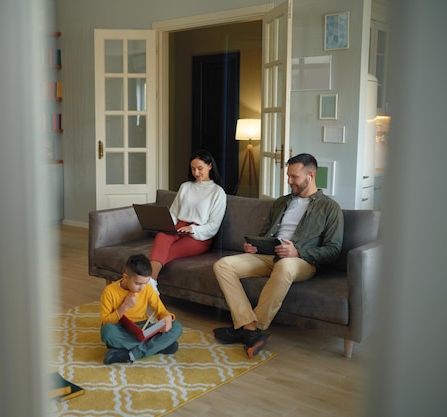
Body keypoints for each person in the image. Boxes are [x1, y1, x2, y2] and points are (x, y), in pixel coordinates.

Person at [212, 153, 344, 358]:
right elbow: (265, 233)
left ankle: (253, 327)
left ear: (311, 176)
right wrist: (256, 246)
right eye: (288, 176)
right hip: (270, 256)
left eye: (294, 177)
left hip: (302, 261)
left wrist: (298, 251)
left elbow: (334, 250)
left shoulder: (330, 208)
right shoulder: (281, 203)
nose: (289, 181)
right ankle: (249, 326)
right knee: (223, 265)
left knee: (285, 265)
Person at [148, 149, 227, 293]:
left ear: (210, 166)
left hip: (199, 235)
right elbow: (174, 213)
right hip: (178, 227)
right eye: (193, 169)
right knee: (161, 236)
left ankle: (148, 284)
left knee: (166, 252)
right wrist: (165, 225)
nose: (196, 173)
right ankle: (151, 284)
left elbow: (214, 226)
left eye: (200, 168)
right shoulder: (185, 187)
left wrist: (193, 229)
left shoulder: (218, 193)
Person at [100, 253, 183, 364]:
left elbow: (161, 311)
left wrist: (167, 317)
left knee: (177, 326)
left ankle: (131, 354)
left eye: (145, 283)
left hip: (143, 328)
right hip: (121, 329)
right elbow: (105, 322)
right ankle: (156, 345)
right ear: (125, 277)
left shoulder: (147, 289)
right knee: (107, 332)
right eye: (138, 283)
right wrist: (124, 307)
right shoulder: (110, 291)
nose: (142, 288)